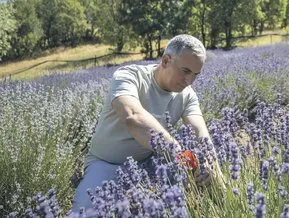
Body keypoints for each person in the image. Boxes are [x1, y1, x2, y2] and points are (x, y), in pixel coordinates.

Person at [72, 34, 223, 212]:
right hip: (107, 163)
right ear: (166, 60)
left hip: (150, 163)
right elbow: (133, 116)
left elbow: (200, 133)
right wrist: (176, 150)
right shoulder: (129, 76)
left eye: (195, 75)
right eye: (185, 71)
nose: (189, 81)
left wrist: (214, 171)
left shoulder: (187, 94)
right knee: (84, 212)